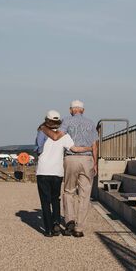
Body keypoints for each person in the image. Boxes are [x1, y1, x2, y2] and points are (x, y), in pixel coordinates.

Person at [39, 100, 99, 238]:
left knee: (68, 191)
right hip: (87, 159)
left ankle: (69, 221)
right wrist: (95, 163)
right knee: (85, 195)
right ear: (83, 110)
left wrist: (43, 128)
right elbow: (94, 145)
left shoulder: (66, 121)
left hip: (71, 158)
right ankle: (79, 228)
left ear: (71, 110)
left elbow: (56, 136)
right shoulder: (91, 123)